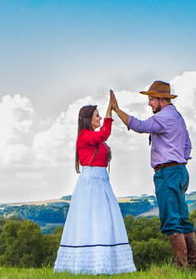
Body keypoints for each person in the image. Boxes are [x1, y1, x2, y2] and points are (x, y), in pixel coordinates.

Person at [108, 81, 196, 271]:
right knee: (183, 219)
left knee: (172, 221)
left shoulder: (163, 117)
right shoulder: (177, 117)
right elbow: (187, 144)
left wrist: (117, 110)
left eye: (151, 99)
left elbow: (140, 126)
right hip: (180, 171)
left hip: (168, 173)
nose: (149, 103)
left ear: (162, 99)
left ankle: (181, 269)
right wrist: (180, 160)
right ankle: (194, 267)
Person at [53, 102, 137, 275]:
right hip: (91, 182)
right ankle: (90, 263)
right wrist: (109, 113)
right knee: (93, 220)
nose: (99, 118)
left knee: (105, 220)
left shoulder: (89, 136)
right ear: (88, 119)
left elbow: (102, 138)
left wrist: (109, 110)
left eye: (100, 115)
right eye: (96, 115)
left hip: (102, 181)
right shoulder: (84, 136)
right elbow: (103, 135)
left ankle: (107, 264)